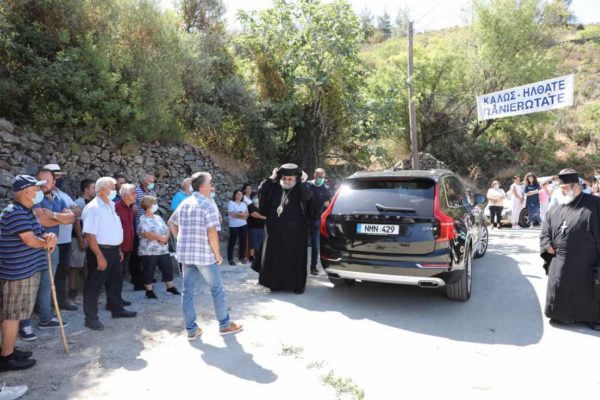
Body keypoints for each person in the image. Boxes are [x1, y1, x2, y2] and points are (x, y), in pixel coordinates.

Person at [168, 172, 243, 340]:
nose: (212, 187)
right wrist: (217, 254)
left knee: (187, 292)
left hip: (186, 255)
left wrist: (180, 239)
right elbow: (212, 232)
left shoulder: (185, 202)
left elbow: (171, 223)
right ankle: (224, 325)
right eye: (210, 183)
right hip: (204, 256)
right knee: (217, 289)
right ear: (202, 186)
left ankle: (191, 329)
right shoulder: (207, 204)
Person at [0, 175, 56, 371]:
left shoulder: (26, 211)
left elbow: (39, 233)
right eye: (37, 189)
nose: (40, 192)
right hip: (18, 274)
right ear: (26, 191)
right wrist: (46, 244)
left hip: (25, 271)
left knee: (14, 314)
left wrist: (49, 236)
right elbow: (31, 240)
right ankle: (6, 358)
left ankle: (7, 350)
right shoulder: (15, 213)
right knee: (12, 316)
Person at [540, 169, 600, 331]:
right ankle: (563, 315)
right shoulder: (556, 206)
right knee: (562, 286)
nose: (562, 191)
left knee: (590, 289)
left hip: (588, 261)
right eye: (561, 188)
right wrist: (546, 244)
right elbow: (545, 230)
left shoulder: (595, 204)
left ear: (577, 187)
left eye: (565, 188)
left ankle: (592, 318)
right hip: (560, 260)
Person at [19, 168, 74, 341]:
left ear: (54, 182)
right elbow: (41, 220)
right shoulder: (33, 199)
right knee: (29, 286)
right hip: (33, 248)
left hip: (52, 248)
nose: (43, 184)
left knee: (46, 283)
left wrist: (53, 215)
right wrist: (59, 218)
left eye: (47, 180)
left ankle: (45, 317)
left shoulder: (58, 198)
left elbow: (71, 218)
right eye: (39, 180)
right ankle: (24, 324)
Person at [82, 177, 137, 331]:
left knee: (115, 282)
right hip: (100, 250)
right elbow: (90, 235)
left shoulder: (111, 205)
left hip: (113, 250)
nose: (115, 190)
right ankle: (91, 319)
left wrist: (117, 249)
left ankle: (116, 308)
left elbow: (113, 228)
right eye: (113, 187)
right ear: (103, 189)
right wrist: (99, 256)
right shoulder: (93, 208)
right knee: (94, 285)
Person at [252, 164, 314, 294]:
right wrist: (272, 177)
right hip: (276, 232)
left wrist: (303, 182)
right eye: (284, 178)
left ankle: (297, 285)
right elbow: (262, 190)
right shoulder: (275, 188)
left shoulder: (300, 189)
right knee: (276, 258)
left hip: (296, 234)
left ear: (296, 179)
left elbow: (309, 201)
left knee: (295, 259)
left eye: (290, 179)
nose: (286, 181)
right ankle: (275, 284)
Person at [43, 163, 80, 311]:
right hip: (52, 241)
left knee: (62, 272)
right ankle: (46, 307)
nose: (59, 179)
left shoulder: (62, 195)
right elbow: (43, 218)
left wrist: (56, 215)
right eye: (56, 176)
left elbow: (76, 213)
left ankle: (60, 301)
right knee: (49, 276)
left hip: (65, 239)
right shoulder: (40, 196)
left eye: (60, 176)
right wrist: (63, 216)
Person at [137, 196, 180, 299]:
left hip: (163, 249)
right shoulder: (142, 219)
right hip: (149, 251)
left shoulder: (158, 217)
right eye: (154, 203)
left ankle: (170, 287)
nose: (156, 205)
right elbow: (146, 233)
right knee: (149, 270)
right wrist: (160, 238)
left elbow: (167, 228)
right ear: (148, 204)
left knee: (167, 268)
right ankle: (149, 290)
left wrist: (165, 238)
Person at [69, 178, 95, 300]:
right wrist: (81, 240)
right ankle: (72, 289)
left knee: (88, 264)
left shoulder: (94, 202)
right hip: (78, 237)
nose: (95, 190)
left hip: (91, 237)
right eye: (93, 188)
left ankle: (89, 286)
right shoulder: (78, 203)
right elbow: (77, 223)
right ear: (86, 189)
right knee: (75, 265)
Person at [115, 184, 142, 293]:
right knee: (116, 273)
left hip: (129, 245)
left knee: (122, 272)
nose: (136, 195)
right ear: (126, 196)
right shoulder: (116, 207)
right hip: (119, 247)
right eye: (134, 193)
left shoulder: (131, 208)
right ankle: (114, 298)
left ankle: (117, 297)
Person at [307, 168, 333, 274]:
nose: (321, 178)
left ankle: (313, 267)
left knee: (315, 245)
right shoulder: (308, 185)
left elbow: (331, 202)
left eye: (322, 177)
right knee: (300, 243)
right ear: (314, 176)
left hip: (317, 220)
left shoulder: (326, 188)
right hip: (305, 219)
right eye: (319, 176)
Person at [227, 190, 249, 266]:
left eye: (241, 194)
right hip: (234, 226)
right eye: (238, 194)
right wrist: (242, 215)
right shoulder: (231, 203)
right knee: (232, 242)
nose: (240, 196)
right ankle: (230, 259)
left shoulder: (244, 204)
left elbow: (247, 214)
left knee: (243, 242)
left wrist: (239, 214)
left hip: (243, 225)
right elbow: (232, 214)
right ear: (235, 195)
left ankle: (242, 258)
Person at [247, 193, 266, 262]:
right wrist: (265, 217)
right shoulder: (250, 206)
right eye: (254, 197)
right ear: (252, 198)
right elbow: (254, 215)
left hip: (261, 227)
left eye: (258, 197)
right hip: (253, 227)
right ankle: (251, 256)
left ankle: (258, 255)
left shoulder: (262, 206)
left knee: (261, 241)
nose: (256, 198)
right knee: (253, 242)